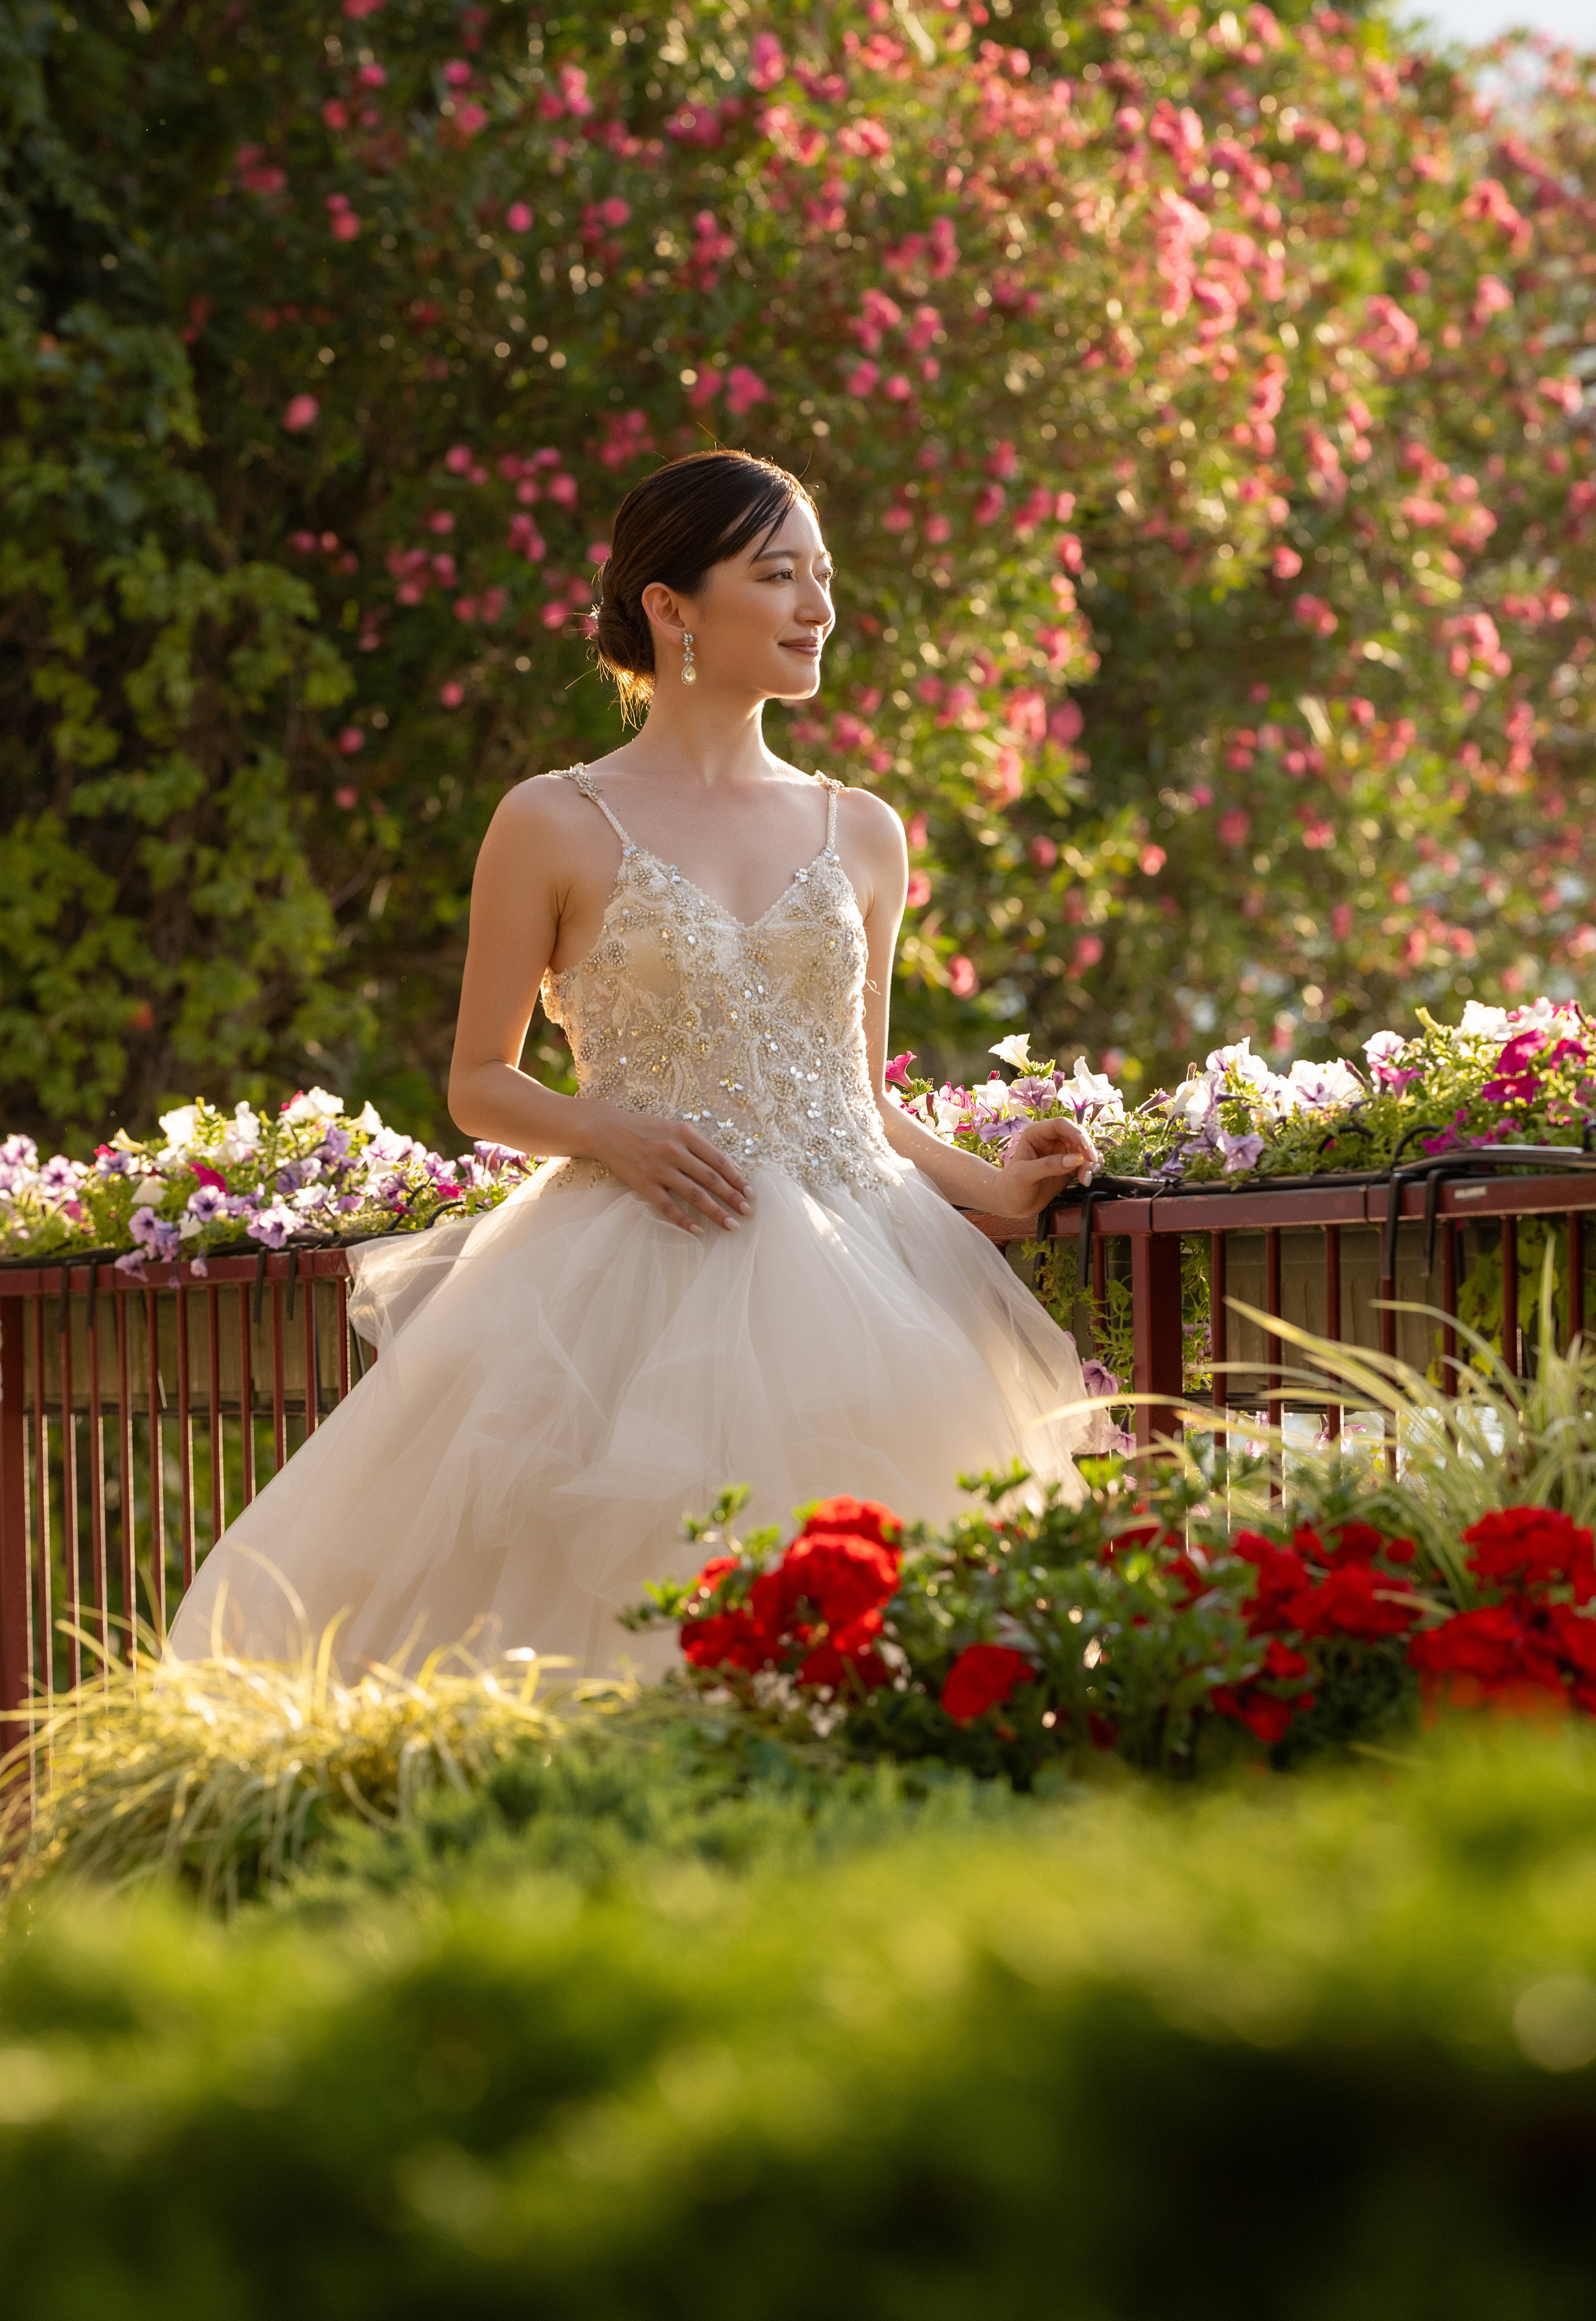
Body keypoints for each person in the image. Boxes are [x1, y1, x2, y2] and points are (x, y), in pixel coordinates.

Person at [168, 448, 1113, 1677]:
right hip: (631, 1284)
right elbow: (477, 1083)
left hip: (869, 1287)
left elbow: (858, 1099)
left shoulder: (863, 830)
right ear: (670, 607)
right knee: (620, 1636)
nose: (817, 610)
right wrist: (608, 1129)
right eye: (778, 577)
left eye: (822, 577)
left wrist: (1000, 1187)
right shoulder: (552, 820)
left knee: (889, 1637)